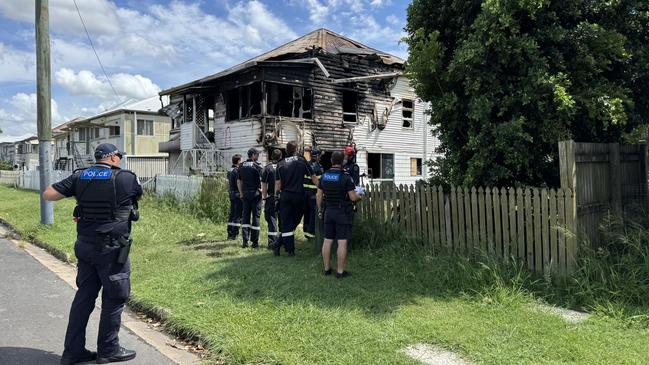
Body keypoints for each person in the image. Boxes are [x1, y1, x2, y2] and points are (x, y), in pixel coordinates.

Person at [43, 143, 141, 364]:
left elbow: (48, 194)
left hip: (85, 246)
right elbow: (136, 198)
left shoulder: (80, 176)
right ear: (114, 157)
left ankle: (72, 352)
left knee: (84, 297)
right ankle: (108, 350)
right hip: (112, 248)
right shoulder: (126, 177)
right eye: (120, 157)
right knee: (115, 297)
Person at [317, 151, 363, 278]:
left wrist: (320, 210)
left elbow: (319, 195)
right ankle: (340, 272)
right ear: (342, 161)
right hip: (342, 212)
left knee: (327, 240)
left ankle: (326, 269)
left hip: (328, 211)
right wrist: (360, 196)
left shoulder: (324, 176)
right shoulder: (346, 177)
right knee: (342, 242)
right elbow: (353, 197)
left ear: (332, 160)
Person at [274, 141, 318, 256]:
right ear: (296, 149)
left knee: (287, 222)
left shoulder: (281, 163)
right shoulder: (302, 160)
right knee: (295, 220)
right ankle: (287, 249)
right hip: (299, 196)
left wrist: (276, 196)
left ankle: (281, 245)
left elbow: (278, 184)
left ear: (287, 150)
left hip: (285, 196)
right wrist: (321, 188)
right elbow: (313, 176)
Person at [237, 148, 263, 248]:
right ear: (253, 155)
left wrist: (241, 193)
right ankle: (255, 242)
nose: (258, 156)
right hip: (256, 195)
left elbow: (239, 181)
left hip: (245, 195)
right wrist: (262, 191)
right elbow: (263, 179)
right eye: (257, 154)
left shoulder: (241, 165)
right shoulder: (257, 166)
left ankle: (245, 241)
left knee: (245, 217)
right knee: (256, 218)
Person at [262, 149, 282, 249]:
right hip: (282, 196)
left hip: (271, 197)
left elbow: (264, 184)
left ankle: (272, 242)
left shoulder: (267, 168)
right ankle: (283, 241)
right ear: (280, 156)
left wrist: (264, 197)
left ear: (271, 156)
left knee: (271, 219)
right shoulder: (283, 166)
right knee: (283, 219)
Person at [302, 147, 323, 241]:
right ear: (317, 156)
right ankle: (311, 234)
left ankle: (305, 231)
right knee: (313, 214)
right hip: (313, 195)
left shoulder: (305, 165)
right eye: (320, 156)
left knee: (306, 213)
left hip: (304, 194)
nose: (320, 158)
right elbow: (319, 183)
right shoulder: (319, 167)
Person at [227, 154, 243, 240]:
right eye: (241, 160)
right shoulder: (237, 170)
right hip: (237, 194)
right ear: (238, 161)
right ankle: (235, 234)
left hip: (231, 193)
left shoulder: (230, 170)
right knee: (238, 215)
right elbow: (238, 182)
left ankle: (229, 233)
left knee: (232, 214)